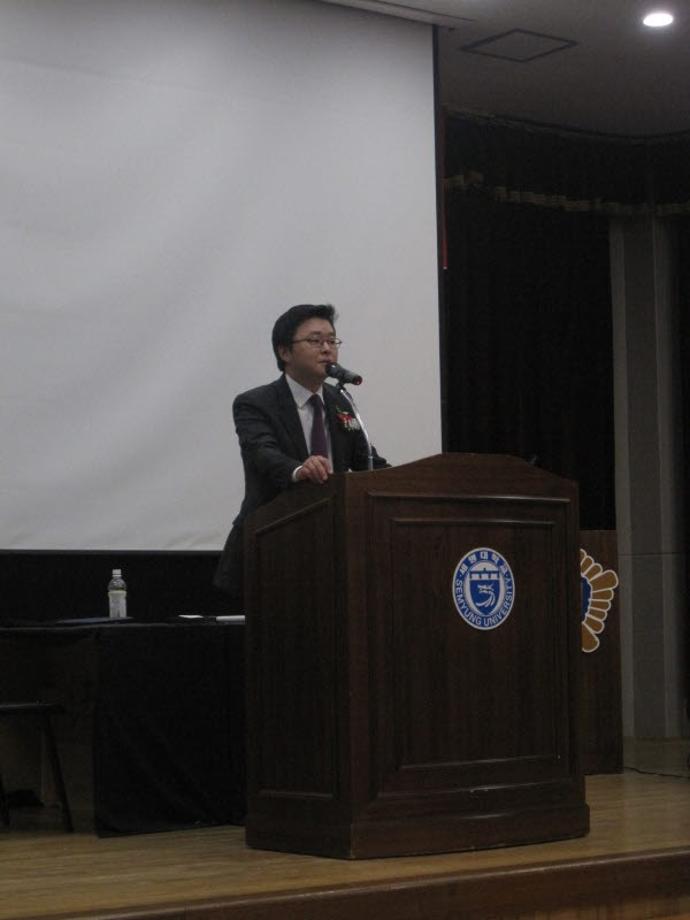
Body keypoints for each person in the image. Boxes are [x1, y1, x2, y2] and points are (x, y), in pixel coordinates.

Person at [214, 304, 388, 607]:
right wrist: (299, 469)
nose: (327, 349)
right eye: (315, 340)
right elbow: (263, 453)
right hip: (270, 545)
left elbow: (369, 464)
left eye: (332, 340)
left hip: (330, 551)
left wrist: (414, 481)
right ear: (284, 352)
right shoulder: (255, 403)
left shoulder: (341, 401)